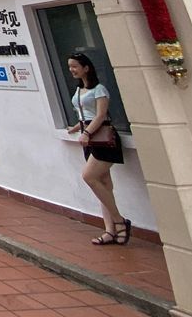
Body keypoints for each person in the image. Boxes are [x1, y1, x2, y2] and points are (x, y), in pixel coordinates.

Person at [67, 52, 130, 246]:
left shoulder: (99, 89)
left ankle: (120, 221)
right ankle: (110, 230)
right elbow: (84, 115)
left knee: (89, 177)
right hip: (90, 139)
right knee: (103, 185)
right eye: (70, 66)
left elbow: (101, 115)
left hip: (103, 138)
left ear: (86, 67)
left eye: (75, 66)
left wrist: (86, 133)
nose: (72, 70)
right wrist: (77, 129)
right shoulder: (78, 91)